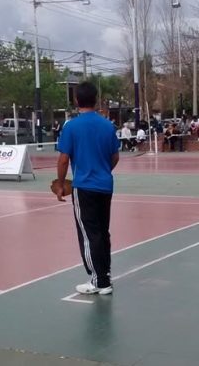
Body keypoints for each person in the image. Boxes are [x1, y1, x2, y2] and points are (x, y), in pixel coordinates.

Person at [55, 81, 120, 295]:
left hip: (84, 187)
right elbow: (115, 156)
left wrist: (60, 184)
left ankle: (99, 281)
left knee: (88, 234)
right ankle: (105, 274)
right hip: (105, 186)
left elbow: (64, 159)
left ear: (76, 100)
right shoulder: (107, 125)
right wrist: (103, 170)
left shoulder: (71, 127)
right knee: (102, 232)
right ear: (96, 100)